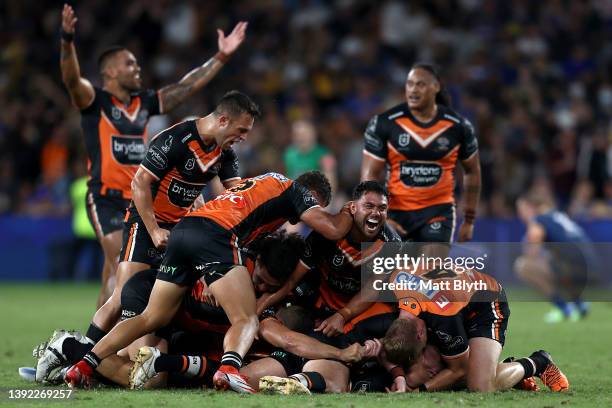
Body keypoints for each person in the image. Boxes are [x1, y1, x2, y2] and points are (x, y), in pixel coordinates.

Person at [35, 91, 255, 384]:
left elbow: (235, 196)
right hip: (145, 222)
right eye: (241, 130)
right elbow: (140, 182)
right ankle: (75, 351)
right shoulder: (175, 139)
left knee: (157, 305)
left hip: (179, 231)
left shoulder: (224, 153)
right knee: (120, 296)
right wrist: (153, 230)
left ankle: (96, 362)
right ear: (224, 120)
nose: (243, 137)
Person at [65, 171, 353, 392]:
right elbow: (330, 229)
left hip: (188, 229)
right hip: (215, 237)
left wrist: (207, 272)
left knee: (151, 316)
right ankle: (229, 369)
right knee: (247, 320)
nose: (309, 216)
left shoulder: (265, 186)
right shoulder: (296, 192)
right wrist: (347, 212)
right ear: (310, 194)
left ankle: (83, 361)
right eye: (316, 206)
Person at [59, 4, 248, 307]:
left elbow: (187, 86)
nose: (137, 69)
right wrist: (67, 40)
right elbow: (71, 80)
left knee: (114, 271)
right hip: (107, 197)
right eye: (129, 64)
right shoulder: (96, 102)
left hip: (141, 197)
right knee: (122, 263)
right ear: (109, 71)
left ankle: (95, 340)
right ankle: (108, 339)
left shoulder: (144, 104)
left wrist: (221, 56)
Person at [378, 265, 569, 392]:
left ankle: (538, 362)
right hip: (455, 299)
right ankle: (497, 367)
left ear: (421, 333)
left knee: (479, 386)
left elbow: (459, 370)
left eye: (418, 352)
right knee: (417, 374)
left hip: (486, 303)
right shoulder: (395, 282)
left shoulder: (444, 316)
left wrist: (420, 391)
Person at [361, 63, 481, 251]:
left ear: (436, 87)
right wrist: (378, 217)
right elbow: (370, 176)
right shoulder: (384, 123)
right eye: (410, 84)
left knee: (428, 274)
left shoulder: (458, 127)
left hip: (438, 212)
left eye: (421, 84)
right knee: (383, 278)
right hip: (395, 212)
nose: (413, 90)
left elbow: (472, 171)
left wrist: (469, 219)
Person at [256, 180, 400, 336]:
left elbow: (371, 291)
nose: (376, 213)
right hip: (317, 300)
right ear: (353, 207)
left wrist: (342, 315)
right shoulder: (327, 234)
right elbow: (292, 280)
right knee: (285, 319)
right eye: (369, 206)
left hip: (355, 309)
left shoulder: (392, 244)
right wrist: (255, 313)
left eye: (382, 208)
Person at [515, 192, 592, 322]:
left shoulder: (538, 219)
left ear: (530, 207)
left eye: (521, 209)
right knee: (555, 259)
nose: (520, 214)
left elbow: (533, 249)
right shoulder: (558, 215)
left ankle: (564, 307)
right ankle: (579, 303)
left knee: (523, 266)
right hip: (590, 265)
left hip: (574, 267)